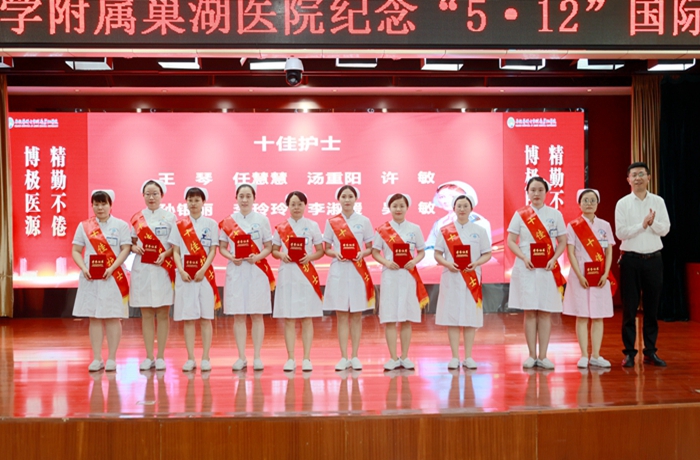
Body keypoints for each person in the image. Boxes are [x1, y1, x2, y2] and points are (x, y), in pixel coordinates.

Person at [507, 177, 567, 370]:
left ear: (546, 192)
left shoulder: (555, 214)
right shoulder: (520, 215)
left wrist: (554, 258)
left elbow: (562, 241)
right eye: (532, 190)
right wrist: (523, 257)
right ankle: (531, 355)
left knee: (545, 311)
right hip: (527, 267)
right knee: (530, 311)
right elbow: (511, 241)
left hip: (547, 268)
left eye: (540, 189)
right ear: (527, 192)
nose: (536, 193)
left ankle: (543, 356)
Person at [615, 161, 670, 367]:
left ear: (648, 177)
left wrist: (651, 223)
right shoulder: (622, 204)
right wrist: (642, 225)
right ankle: (630, 353)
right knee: (629, 309)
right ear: (628, 180)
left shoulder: (658, 201)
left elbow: (665, 229)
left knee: (651, 309)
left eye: (641, 174)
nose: (637, 178)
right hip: (630, 261)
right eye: (634, 175)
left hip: (653, 260)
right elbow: (621, 233)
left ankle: (650, 351)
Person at [71, 189, 131, 372]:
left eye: (103, 204)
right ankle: (97, 358)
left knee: (113, 317)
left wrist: (112, 268)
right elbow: (76, 250)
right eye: (96, 204)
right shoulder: (84, 226)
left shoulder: (121, 225)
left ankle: (112, 358)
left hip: (113, 278)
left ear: (110, 205)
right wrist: (83, 268)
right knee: (95, 317)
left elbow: (125, 249)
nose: (100, 208)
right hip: (91, 278)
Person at [219, 183, 274, 372]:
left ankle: (257, 356)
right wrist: (230, 257)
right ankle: (241, 357)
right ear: (236, 198)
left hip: (256, 271)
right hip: (237, 270)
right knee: (239, 315)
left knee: (257, 315)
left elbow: (268, 246)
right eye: (241, 196)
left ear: (254, 198)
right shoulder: (229, 221)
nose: (244, 200)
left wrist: (258, 257)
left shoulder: (262, 220)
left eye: (248, 196)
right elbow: (222, 247)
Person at [434, 194, 492, 370]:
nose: (462, 209)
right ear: (454, 208)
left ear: (471, 208)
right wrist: (447, 264)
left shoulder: (479, 230)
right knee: (452, 317)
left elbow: (487, 253)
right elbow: (437, 254)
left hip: (471, 278)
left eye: (465, 206)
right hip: (451, 277)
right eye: (459, 206)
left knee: (470, 318)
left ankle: (468, 357)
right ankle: (454, 357)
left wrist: (477, 263)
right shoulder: (445, 230)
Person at [372, 193, 427, 371]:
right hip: (390, 276)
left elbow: (421, 251)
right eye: (395, 206)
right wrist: (386, 262)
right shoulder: (382, 230)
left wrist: (414, 261)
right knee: (390, 318)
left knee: (406, 318)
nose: (398, 209)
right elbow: (375, 252)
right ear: (389, 208)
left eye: (401, 206)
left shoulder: (415, 229)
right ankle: (393, 358)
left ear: (407, 208)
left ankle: (404, 356)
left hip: (408, 276)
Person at [271, 191, 325, 372]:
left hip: (306, 275)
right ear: (288, 206)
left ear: (305, 205)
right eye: (293, 204)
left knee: (306, 317)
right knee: (289, 318)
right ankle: (290, 358)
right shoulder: (281, 227)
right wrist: (282, 255)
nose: (296, 207)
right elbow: (274, 250)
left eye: (299, 204)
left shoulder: (312, 225)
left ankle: (307, 358)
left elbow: (320, 251)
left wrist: (310, 257)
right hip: (288, 274)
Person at [323, 185, 375, 371]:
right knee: (341, 315)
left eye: (350, 196)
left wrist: (362, 253)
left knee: (356, 315)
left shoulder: (364, 221)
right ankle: (343, 356)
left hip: (357, 271)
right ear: (338, 199)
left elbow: (370, 247)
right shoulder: (332, 222)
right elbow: (326, 248)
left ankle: (355, 356)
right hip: (339, 269)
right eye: (343, 196)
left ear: (355, 199)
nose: (347, 199)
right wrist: (335, 253)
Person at [563, 189, 616, 369]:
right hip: (581, 276)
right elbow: (570, 252)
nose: (589, 203)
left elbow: (609, 251)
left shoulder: (605, 225)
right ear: (579, 204)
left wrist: (605, 273)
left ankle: (596, 355)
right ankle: (584, 355)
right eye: (585, 200)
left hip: (600, 276)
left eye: (592, 200)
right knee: (582, 315)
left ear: (597, 203)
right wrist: (579, 275)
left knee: (598, 316)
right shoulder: (573, 226)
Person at [169, 186, 220, 372]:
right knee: (188, 319)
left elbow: (213, 250)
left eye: (197, 200)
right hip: (185, 277)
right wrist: (181, 270)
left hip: (204, 276)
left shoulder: (211, 224)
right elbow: (175, 251)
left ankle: (206, 357)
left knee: (206, 318)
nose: (193, 203)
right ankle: (190, 358)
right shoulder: (179, 225)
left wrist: (203, 270)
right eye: (190, 200)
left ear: (203, 202)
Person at [129, 179, 176, 371]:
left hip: (163, 269)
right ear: (143, 196)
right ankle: (149, 357)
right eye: (147, 194)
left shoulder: (170, 217)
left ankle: (161, 356)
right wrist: (134, 248)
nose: (151, 197)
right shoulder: (137, 218)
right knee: (147, 314)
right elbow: (131, 243)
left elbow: (176, 245)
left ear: (162, 195)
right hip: (143, 269)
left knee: (163, 314)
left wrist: (165, 254)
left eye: (155, 193)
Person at [421, 180, 492, 268]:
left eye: (452, 196)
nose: (446, 200)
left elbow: (481, 249)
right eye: (442, 197)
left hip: (471, 266)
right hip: (443, 266)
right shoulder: (440, 223)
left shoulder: (478, 221)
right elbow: (430, 245)